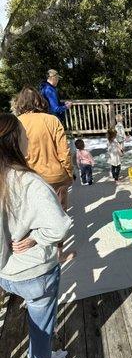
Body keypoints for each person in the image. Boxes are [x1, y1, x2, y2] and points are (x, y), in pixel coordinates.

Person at [0, 113, 71, 358]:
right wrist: (36, 237)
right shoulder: (29, 182)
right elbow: (59, 228)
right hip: (35, 274)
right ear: (15, 142)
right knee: (41, 330)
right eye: (24, 134)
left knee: (36, 321)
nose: (28, 137)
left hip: (7, 273)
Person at [15, 86, 76, 263]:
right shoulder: (52, 120)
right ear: (40, 101)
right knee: (58, 216)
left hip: (28, 179)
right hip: (56, 177)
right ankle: (58, 255)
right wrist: (68, 174)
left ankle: (37, 256)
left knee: (31, 218)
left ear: (20, 103)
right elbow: (64, 152)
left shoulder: (16, 122)